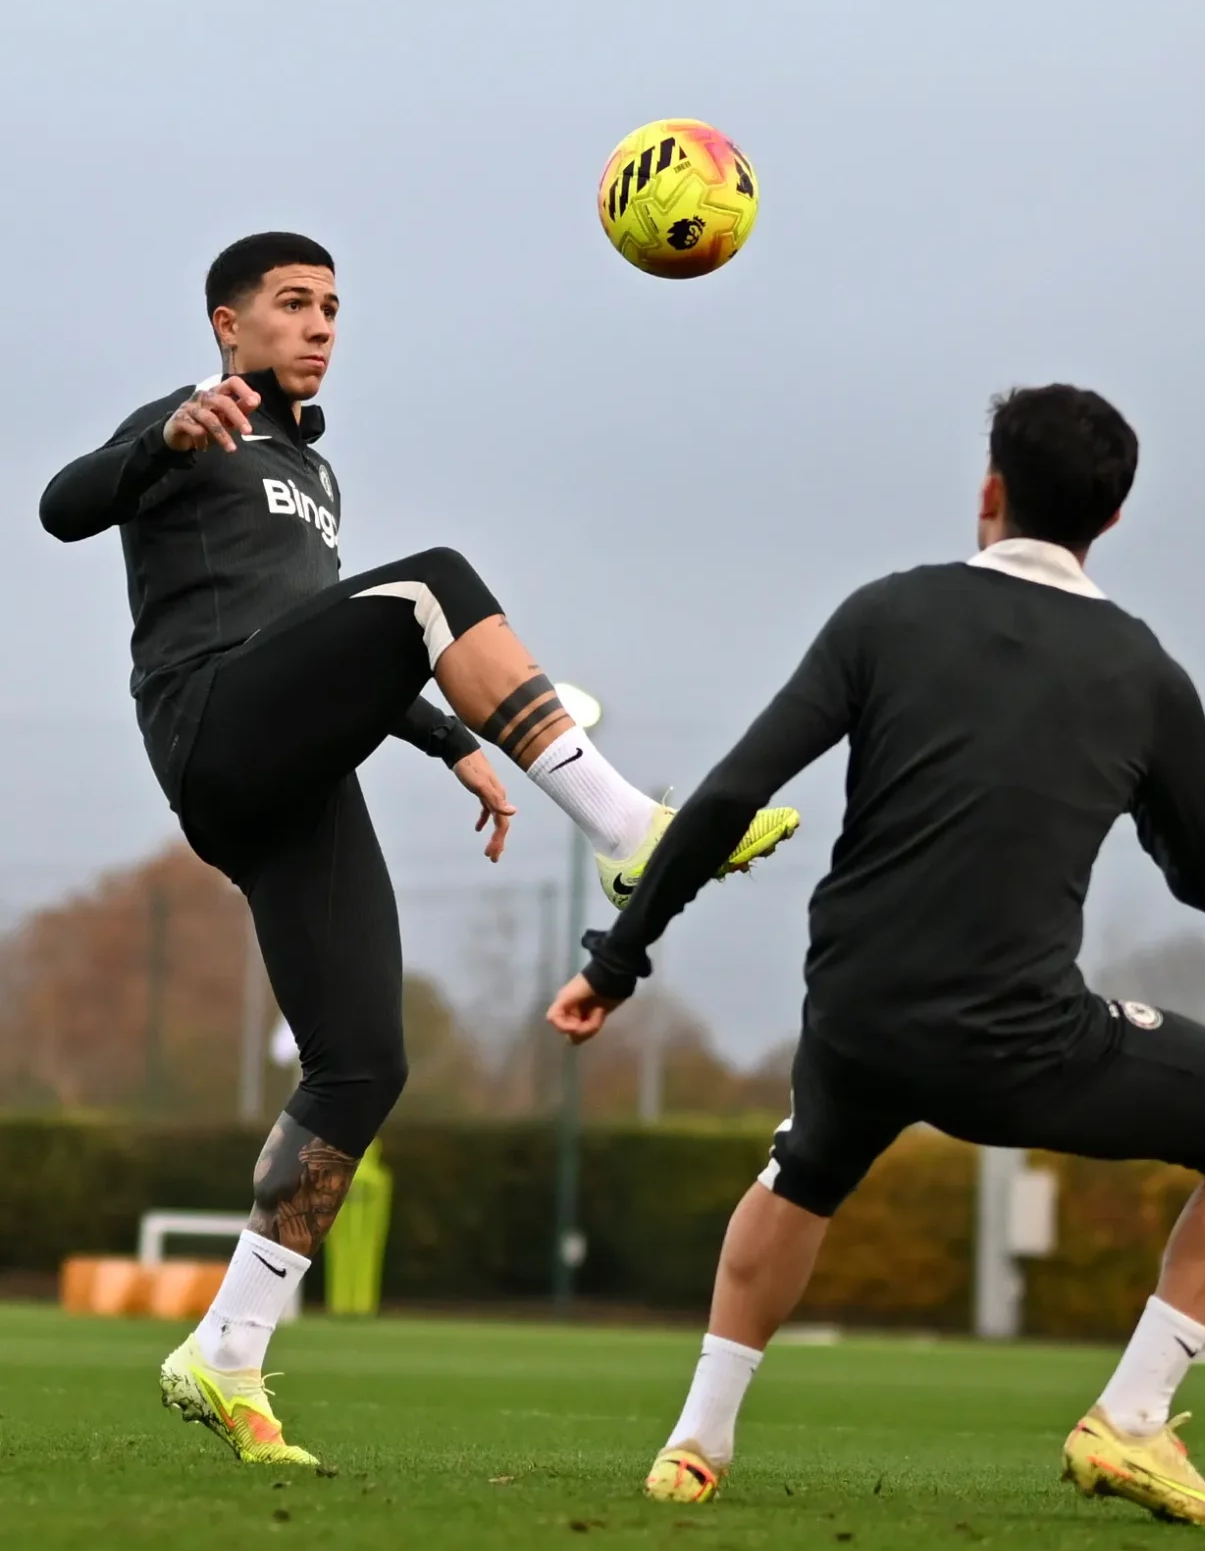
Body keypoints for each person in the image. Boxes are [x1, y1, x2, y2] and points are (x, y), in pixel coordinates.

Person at [40, 230, 800, 1468]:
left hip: (293, 773)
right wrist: (159, 440)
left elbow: (330, 635)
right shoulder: (192, 421)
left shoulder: (314, 477)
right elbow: (60, 506)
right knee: (439, 574)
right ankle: (627, 830)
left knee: (361, 1065)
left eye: (333, 305)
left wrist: (447, 739)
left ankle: (225, 1350)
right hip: (213, 732)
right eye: (292, 303)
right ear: (228, 325)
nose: (320, 323)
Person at [548, 383, 1205, 1528]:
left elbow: (728, 794)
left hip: (855, 1011)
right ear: (1109, 520)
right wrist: (1147, 798)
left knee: (806, 1162)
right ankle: (1131, 1420)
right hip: (1016, 1042)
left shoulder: (885, 615)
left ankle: (695, 1441)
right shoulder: (1145, 675)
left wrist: (616, 961)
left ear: (989, 493)